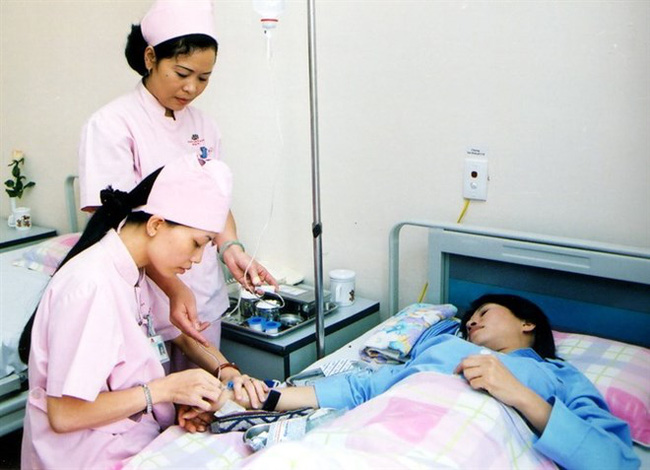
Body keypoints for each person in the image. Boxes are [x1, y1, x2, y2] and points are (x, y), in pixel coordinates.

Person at [193, 294, 640, 469]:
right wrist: (262, 398)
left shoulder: (556, 374)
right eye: (467, 321)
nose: (471, 324)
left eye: (484, 313)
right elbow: (363, 387)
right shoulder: (440, 351)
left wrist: (520, 395)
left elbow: (614, 461)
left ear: (527, 324)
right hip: (374, 437)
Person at [21, 154, 267, 469]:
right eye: (196, 243)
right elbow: (65, 414)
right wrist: (164, 390)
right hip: (87, 456)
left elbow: (175, 333)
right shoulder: (91, 287)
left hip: (133, 436)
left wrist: (225, 372)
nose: (197, 259)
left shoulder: (136, 271)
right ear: (155, 224)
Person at [78, 0, 277, 367]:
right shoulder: (112, 124)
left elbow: (213, 203)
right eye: (182, 73)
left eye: (203, 78)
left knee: (200, 410)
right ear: (151, 57)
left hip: (201, 294)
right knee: (150, 412)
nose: (191, 88)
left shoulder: (204, 126)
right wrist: (172, 288)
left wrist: (231, 246)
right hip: (144, 298)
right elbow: (113, 224)